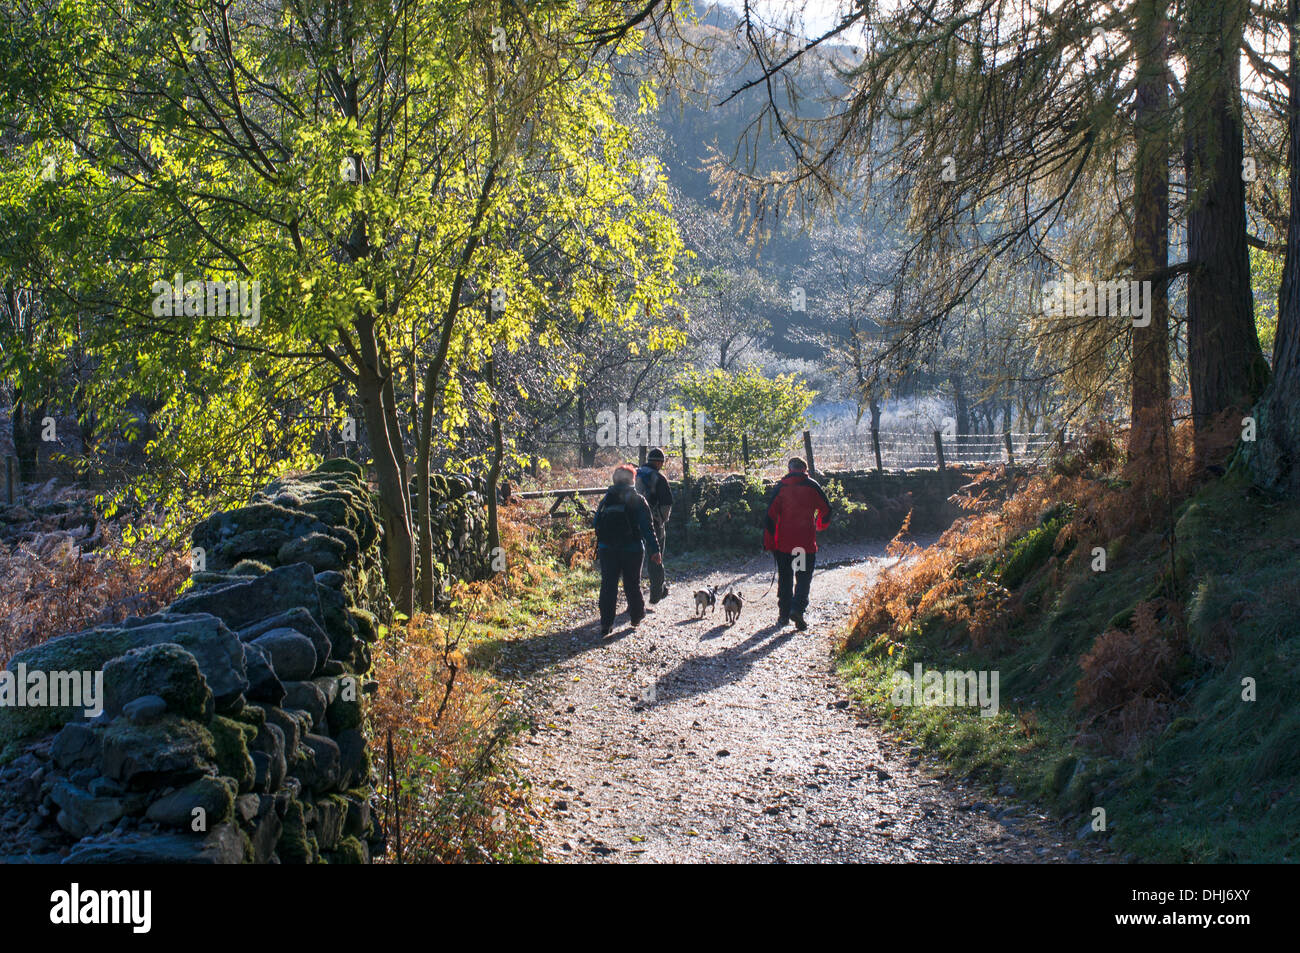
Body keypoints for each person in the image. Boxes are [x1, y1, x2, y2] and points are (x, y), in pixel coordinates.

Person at [762, 457, 832, 630]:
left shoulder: (781, 487)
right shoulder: (812, 486)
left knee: (785, 578)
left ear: (789, 469)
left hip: (784, 545)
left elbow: (770, 516)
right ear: (805, 469)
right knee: (802, 578)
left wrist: (769, 543)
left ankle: (784, 615)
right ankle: (797, 609)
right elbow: (827, 510)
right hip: (803, 545)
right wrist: (820, 525)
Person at [594, 463, 662, 636]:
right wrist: (655, 550)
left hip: (607, 548)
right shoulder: (637, 499)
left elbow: (595, 523)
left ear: (615, 479)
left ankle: (606, 624)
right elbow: (648, 527)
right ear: (632, 479)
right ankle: (636, 616)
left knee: (608, 585)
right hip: (632, 548)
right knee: (632, 583)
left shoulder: (606, 498)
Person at [636, 447, 673, 603]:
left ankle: (634, 598)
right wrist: (661, 521)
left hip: (633, 522)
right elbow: (667, 503)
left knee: (634, 561)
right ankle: (656, 594)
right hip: (653, 522)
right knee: (655, 557)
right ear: (658, 462)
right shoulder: (659, 477)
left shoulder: (636, 474)